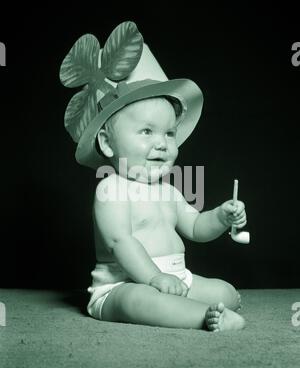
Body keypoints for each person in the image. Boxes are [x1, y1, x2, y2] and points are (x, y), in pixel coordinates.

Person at [60, 21, 246, 331]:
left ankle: (208, 305)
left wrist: (222, 216)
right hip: (124, 284)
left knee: (225, 291)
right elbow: (121, 241)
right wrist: (153, 278)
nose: (162, 143)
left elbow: (196, 227)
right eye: (147, 131)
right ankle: (203, 317)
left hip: (176, 278)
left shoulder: (169, 191)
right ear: (107, 143)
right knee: (139, 301)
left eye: (169, 133)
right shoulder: (112, 189)